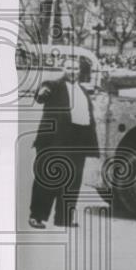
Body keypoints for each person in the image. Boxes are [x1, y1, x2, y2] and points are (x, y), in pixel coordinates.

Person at [28, 57, 99, 228]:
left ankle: (63, 218)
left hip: (78, 141)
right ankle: (37, 216)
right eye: (69, 67)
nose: (73, 71)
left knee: (73, 180)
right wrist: (41, 92)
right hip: (55, 141)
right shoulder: (53, 85)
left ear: (79, 71)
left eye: (76, 68)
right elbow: (41, 94)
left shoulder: (82, 90)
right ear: (63, 69)